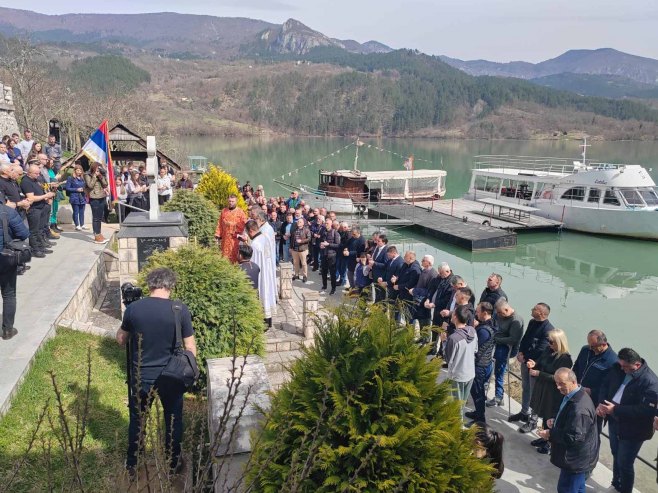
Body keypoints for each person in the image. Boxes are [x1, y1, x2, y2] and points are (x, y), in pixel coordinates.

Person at [116, 268, 196, 476]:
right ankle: (173, 463)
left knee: (138, 418)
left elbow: (120, 340)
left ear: (150, 284)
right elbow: (190, 347)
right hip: (171, 376)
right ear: (170, 285)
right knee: (173, 419)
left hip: (141, 376)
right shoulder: (180, 309)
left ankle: (133, 463)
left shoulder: (134, 309)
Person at [596, 348, 658, 493]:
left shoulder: (651, 382)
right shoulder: (618, 367)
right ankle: (615, 483)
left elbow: (645, 410)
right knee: (615, 453)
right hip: (614, 421)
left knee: (625, 463)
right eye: (621, 365)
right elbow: (605, 384)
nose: (622, 369)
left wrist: (615, 409)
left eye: (625, 367)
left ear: (636, 365)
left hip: (633, 430)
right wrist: (601, 403)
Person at [537, 368, 599, 493]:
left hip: (576, 460)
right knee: (578, 488)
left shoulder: (579, 408)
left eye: (562, 384)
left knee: (566, 489)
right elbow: (571, 422)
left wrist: (550, 434)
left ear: (573, 381)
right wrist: (556, 420)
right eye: (556, 383)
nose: (558, 387)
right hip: (578, 458)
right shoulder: (573, 395)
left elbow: (574, 437)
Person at [524, 328, 573, 452]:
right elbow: (540, 363)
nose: (549, 344)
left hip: (553, 392)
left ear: (559, 342)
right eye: (549, 341)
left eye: (552, 342)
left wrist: (539, 374)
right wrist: (533, 364)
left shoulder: (565, 359)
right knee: (544, 415)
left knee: (550, 416)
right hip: (542, 388)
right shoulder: (548, 350)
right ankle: (545, 438)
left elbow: (558, 378)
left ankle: (550, 443)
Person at [510, 303, 554, 425]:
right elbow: (525, 339)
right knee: (525, 388)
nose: (532, 309)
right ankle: (524, 412)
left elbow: (541, 349)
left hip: (536, 365)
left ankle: (533, 420)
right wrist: (520, 353)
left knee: (535, 393)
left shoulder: (548, 329)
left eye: (534, 309)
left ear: (541, 313)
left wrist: (526, 358)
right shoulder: (532, 322)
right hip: (525, 361)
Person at [572, 329, 617, 426]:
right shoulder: (585, 350)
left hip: (593, 402)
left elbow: (609, 388)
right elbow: (576, 367)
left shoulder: (612, 361)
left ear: (604, 344)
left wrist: (591, 391)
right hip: (576, 393)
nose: (591, 348)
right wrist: (572, 381)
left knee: (591, 429)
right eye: (589, 345)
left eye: (594, 346)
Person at [0, 201, 30, 340]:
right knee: (9, 294)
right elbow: (24, 233)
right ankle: (7, 330)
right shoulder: (8, 212)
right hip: (5, 258)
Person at [487, 300, 524, 407]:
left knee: (499, 372)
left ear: (507, 310)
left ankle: (498, 397)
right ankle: (487, 387)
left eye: (500, 313)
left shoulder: (516, 320)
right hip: (497, 343)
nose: (498, 315)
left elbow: (513, 339)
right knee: (488, 366)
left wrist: (496, 339)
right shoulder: (500, 314)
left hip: (506, 348)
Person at [445, 304, 478, 421]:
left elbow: (448, 359)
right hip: (470, 373)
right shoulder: (473, 332)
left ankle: (458, 427)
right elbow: (475, 350)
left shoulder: (453, 338)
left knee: (456, 404)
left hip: (457, 375)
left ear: (455, 317)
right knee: (462, 403)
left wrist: (445, 341)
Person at [465, 302, 497, 424]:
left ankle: (480, 419)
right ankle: (478, 413)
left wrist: (473, 329)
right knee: (477, 391)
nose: (476, 314)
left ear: (484, 313)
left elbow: (474, 346)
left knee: (477, 392)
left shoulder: (484, 330)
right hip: (486, 363)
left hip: (480, 365)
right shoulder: (492, 324)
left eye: (478, 311)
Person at [245, 220, 277, 328]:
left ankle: (264, 323)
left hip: (261, 274)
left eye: (247, 233)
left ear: (251, 231)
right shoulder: (264, 238)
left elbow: (254, 264)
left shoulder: (255, 244)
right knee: (267, 294)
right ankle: (269, 321)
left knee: (262, 295)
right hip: (267, 271)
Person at [20, 164, 54, 258]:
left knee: (39, 229)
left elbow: (42, 190)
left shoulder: (36, 180)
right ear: (29, 173)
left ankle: (40, 246)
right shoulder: (26, 182)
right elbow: (31, 198)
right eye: (36, 173)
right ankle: (35, 249)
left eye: (39, 173)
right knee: (34, 231)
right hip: (33, 209)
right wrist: (45, 196)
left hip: (41, 207)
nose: (38, 175)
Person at [214, 194, 247, 263]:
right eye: (229, 201)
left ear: (236, 202)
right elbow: (219, 223)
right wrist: (217, 235)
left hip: (235, 240)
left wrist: (230, 225)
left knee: (234, 258)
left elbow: (244, 225)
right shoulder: (223, 211)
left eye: (233, 201)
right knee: (224, 258)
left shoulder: (240, 212)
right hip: (225, 240)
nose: (231, 203)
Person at [84, 161, 109, 244]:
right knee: (95, 217)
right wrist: (95, 176)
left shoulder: (101, 174)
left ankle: (99, 234)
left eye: (100, 168)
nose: (99, 169)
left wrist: (101, 176)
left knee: (99, 217)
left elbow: (105, 184)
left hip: (102, 196)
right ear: (94, 168)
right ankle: (96, 235)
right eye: (97, 168)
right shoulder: (87, 174)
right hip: (94, 197)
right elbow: (90, 185)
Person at [319, 218, 341, 295]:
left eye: (327, 223)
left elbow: (338, 245)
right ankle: (324, 286)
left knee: (332, 274)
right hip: (324, 255)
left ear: (331, 224)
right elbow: (320, 241)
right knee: (324, 272)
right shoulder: (323, 232)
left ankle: (333, 289)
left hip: (332, 256)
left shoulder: (335, 233)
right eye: (325, 223)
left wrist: (328, 244)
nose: (326, 224)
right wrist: (321, 245)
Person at [65, 164, 87, 231]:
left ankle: (82, 224)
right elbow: (67, 188)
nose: (79, 172)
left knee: (82, 211)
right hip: (74, 197)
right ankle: (77, 225)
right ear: (75, 171)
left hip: (82, 196)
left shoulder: (83, 178)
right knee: (76, 211)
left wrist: (84, 189)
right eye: (78, 170)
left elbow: (85, 186)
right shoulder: (70, 178)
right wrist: (76, 189)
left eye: (80, 170)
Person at [344, 226, 366, 292]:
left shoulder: (362, 240)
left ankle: (356, 289)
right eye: (352, 234)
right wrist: (346, 248)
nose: (353, 235)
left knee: (356, 276)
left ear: (358, 233)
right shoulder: (352, 238)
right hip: (350, 260)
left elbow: (360, 251)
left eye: (354, 234)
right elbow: (347, 244)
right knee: (349, 274)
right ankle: (352, 286)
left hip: (357, 260)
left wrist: (349, 253)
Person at [290, 217, 311, 282]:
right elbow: (292, 239)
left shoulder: (306, 230)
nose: (298, 223)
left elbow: (309, 238)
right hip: (295, 249)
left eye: (300, 222)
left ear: (303, 223)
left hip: (302, 249)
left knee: (303, 263)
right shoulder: (294, 230)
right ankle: (296, 275)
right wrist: (291, 247)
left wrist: (301, 241)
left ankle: (305, 276)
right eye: (298, 222)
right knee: (295, 263)